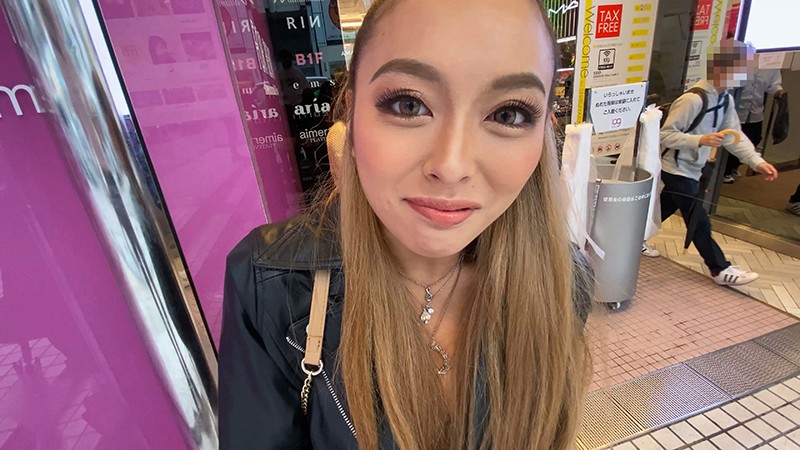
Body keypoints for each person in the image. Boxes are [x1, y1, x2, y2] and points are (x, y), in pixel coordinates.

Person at [218, 0, 592, 448]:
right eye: (408, 104)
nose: (451, 167)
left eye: (507, 114)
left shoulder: (564, 280)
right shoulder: (270, 285)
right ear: (351, 114)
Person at [659, 39, 779, 286]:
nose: (746, 74)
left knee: (663, 209)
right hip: (675, 168)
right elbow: (665, 135)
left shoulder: (724, 100)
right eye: (744, 68)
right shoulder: (692, 100)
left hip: (693, 169)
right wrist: (700, 140)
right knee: (698, 219)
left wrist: (756, 162)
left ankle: (629, 240)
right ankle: (720, 269)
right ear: (724, 68)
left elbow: (734, 136)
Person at [723, 68, 785, 183]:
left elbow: (773, 84)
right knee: (730, 138)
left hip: (755, 110)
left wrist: (780, 94)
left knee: (754, 138)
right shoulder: (738, 61)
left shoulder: (770, 64)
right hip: (735, 107)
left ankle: (732, 166)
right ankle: (725, 170)